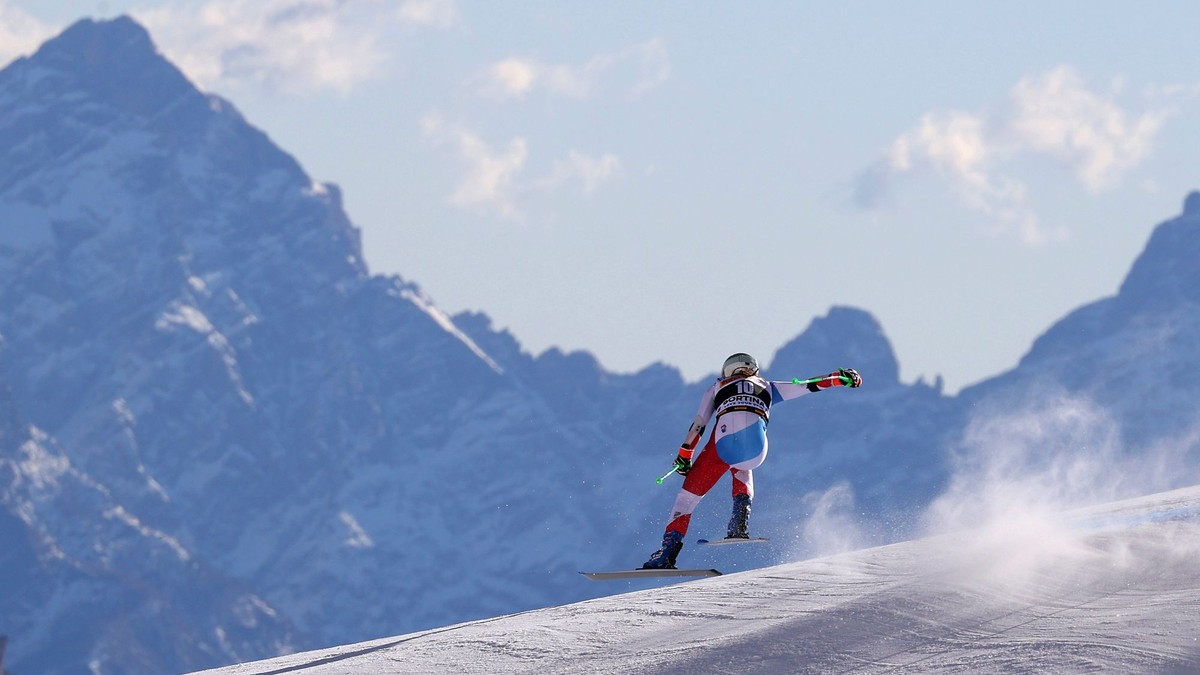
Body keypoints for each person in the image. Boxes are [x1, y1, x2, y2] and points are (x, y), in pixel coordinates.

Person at [642, 352, 862, 569]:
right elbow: (809, 385)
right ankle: (739, 521)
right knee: (742, 463)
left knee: (686, 499)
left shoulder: (717, 387)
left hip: (723, 446)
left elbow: (699, 424)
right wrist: (841, 377)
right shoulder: (769, 386)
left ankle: (667, 553)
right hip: (757, 451)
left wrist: (685, 455)